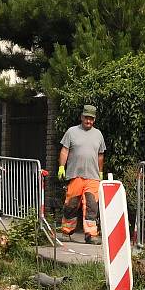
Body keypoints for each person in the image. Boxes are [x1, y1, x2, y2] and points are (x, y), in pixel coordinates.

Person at [58, 104, 106, 244]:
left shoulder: (98, 134)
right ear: (81, 117)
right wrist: (62, 167)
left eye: (91, 119)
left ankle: (90, 235)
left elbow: (100, 155)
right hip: (75, 175)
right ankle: (66, 232)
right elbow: (64, 151)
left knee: (92, 206)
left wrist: (100, 172)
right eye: (86, 118)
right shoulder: (71, 132)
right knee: (71, 205)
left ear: (94, 119)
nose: (88, 121)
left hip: (93, 177)